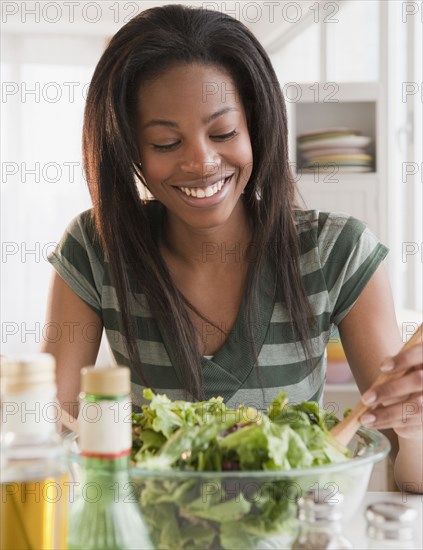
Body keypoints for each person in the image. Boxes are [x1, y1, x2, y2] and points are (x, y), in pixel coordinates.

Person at [41, 4, 422, 491]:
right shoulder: (94, 249)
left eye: (223, 133)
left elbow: (412, 479)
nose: (201, 162)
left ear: (257, 127)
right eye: (163, 143)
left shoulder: (336, 252)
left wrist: (415, 423)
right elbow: (49, 428)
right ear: (129, 151)